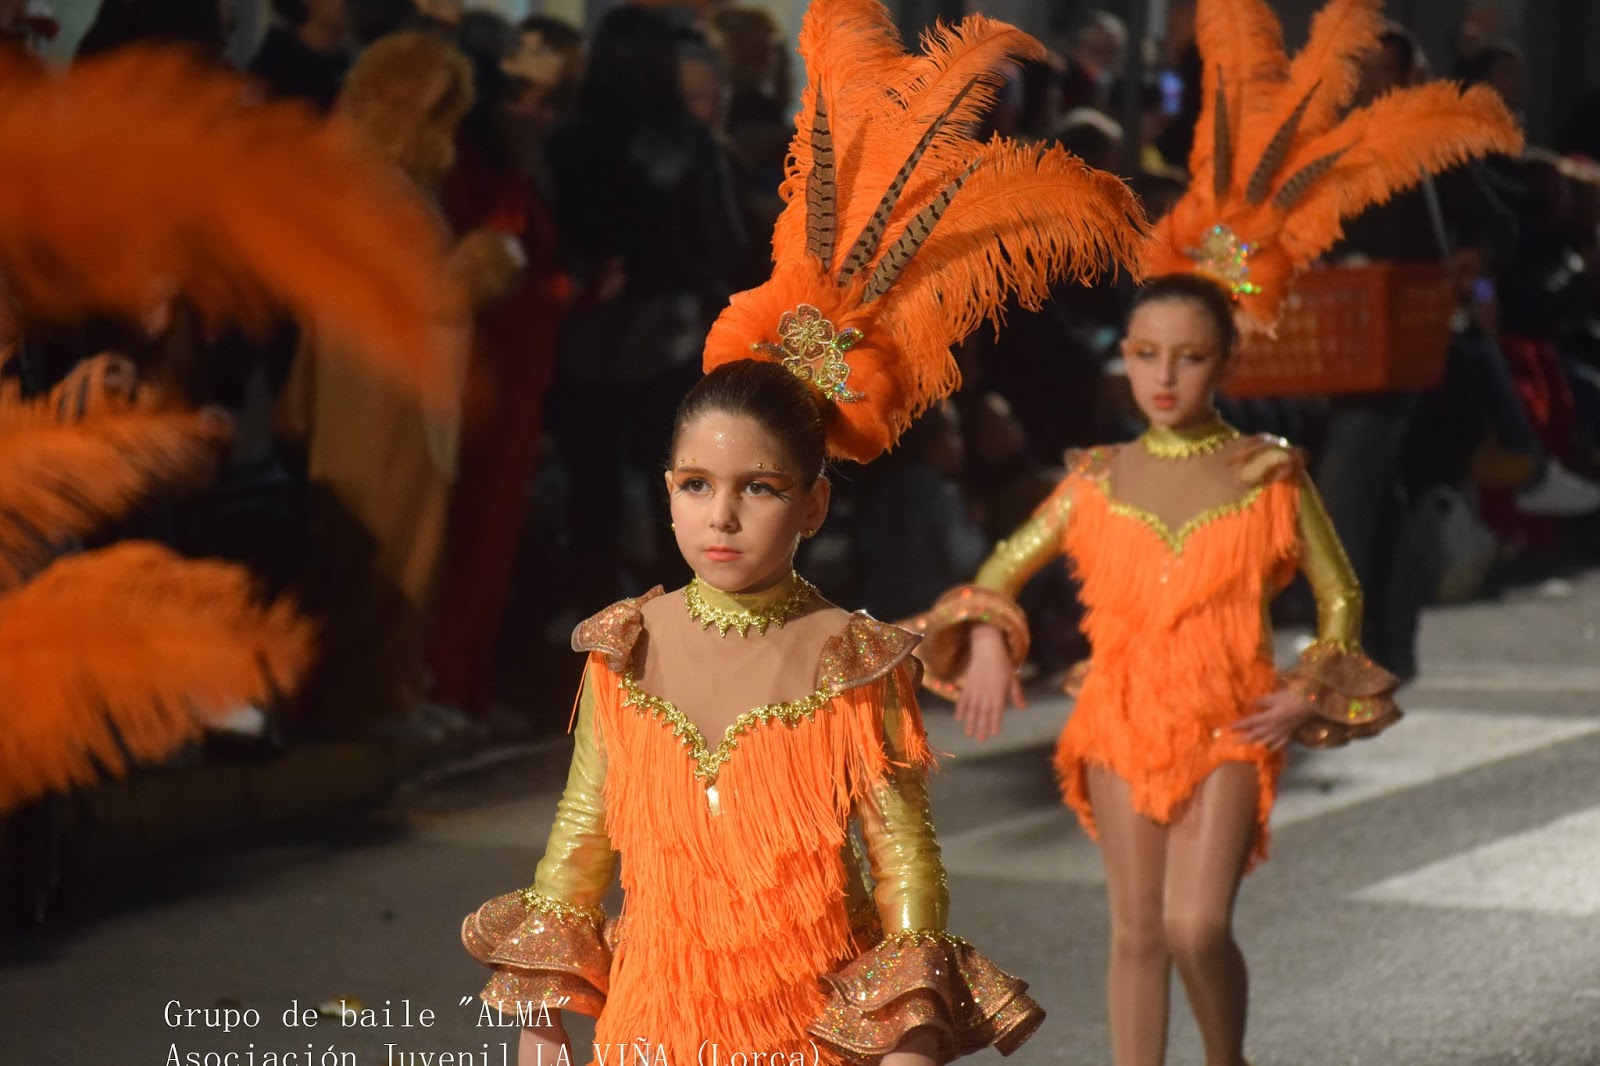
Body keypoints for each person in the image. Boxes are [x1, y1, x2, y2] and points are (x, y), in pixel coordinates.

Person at [459, 0, 1147, 1062]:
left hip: (808, 1033)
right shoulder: (622, 648)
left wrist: (911, 1026)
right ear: (667, 490)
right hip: (650, 1027)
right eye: (696, 485)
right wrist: (542, 1013)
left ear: (813, 505)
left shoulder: (853, 662)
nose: (721, 515)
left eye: (759, 489)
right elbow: (581, 839)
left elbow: (905, 862)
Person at [909, 2, 1520, 1064]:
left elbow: (1339, 595)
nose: (1162, 377)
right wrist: (993, 639)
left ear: (1226, 362)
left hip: (1234, 714)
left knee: (1197, 927)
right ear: (1126, 355)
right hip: (1118, 715)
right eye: (1145, 354)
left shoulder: (1268, 472)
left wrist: (1314, 682)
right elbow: (997, 570)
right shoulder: (1095, 477)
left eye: (1187, 358)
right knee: (1137, 933)